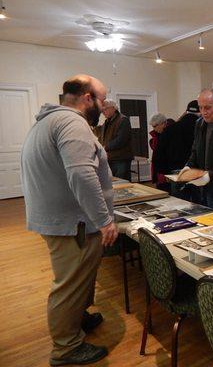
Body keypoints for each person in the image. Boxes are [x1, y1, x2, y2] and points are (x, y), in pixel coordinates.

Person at [21, 74, 118, 365]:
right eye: (102, 100)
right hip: (73, 223)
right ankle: (67, 348)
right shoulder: (72, 122)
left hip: (61, 219)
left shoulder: (47, 121)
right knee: (69, 285)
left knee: (78, 280)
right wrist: (104, 220)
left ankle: (77, 319)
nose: (103, 107)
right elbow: (81, 173)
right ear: (88, 98)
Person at [153, 100, 201, 201]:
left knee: (180, 202)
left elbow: (159, 151)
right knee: (199, 203)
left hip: (176, 171)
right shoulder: (202, 128)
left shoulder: (171, 128)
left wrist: (163, 171)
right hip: (197, 170)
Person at [97, 100, 133, 181]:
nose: (103, 112)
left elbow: (121, 140)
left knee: (122, 183)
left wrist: (105, 147)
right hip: (110, 158)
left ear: (113, 108)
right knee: (113, 183)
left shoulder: (123, 120)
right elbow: (102, 136)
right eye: (102, 110)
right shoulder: (107, 122)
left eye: (105, 109)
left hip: (121, 159)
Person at [148, 113, 173, 191]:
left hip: (168, 170)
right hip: (159, 171)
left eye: (155, 126)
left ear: (163, 124)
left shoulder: (171, 134)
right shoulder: (155, 137)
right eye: (153, 127)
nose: (154, 129)